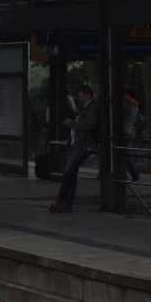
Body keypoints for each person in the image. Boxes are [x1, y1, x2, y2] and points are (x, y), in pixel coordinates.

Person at [50, 85, 101, 213]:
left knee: (69, 171)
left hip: (84, 144)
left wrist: (72, 124)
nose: (80, 99)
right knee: (71, 173)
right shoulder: (85, 107)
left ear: (88, 94)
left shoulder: (94, 106)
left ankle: (60, 198)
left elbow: (89, 124)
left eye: (81, 96)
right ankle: (66, 202)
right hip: (76, 143)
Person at [121, 86, 140, 182]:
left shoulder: (127, 105)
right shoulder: (134, 105)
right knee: (125, 154)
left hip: (123, 132)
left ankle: (132, 175)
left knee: (124, 154)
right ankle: (133, 175)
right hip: (128, 132)